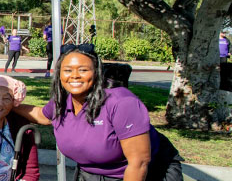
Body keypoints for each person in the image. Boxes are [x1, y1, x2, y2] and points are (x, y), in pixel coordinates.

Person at [13, 45, 183, 180]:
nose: (75, 76)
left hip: (143, 173)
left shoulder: (121, 102)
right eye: (68, 70)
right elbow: (42, 115)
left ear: (96, 73)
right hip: (90, 173)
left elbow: (139, 162)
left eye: (83, 70)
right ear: (59, 74)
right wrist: (5, 105)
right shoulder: (63, 101)